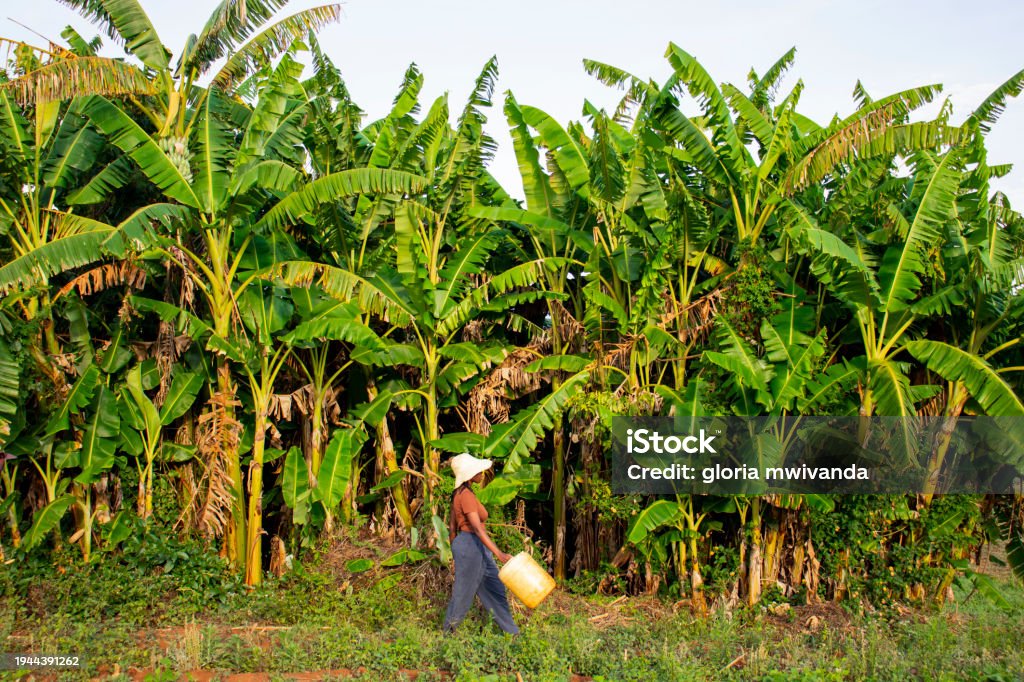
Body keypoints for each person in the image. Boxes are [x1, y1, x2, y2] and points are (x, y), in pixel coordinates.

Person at [442, 453, 519, 635]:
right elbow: (477, 528)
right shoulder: (466, 495)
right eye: (478, 471)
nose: (482, 473)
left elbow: (452, 528)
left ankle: (513, 634)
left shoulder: (460, 493)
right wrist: (500, 554)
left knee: (495, 589)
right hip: (471, 544)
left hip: (472, 545)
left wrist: (456, 548)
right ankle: (447, 635)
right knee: (463, 593)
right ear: (469, 475)